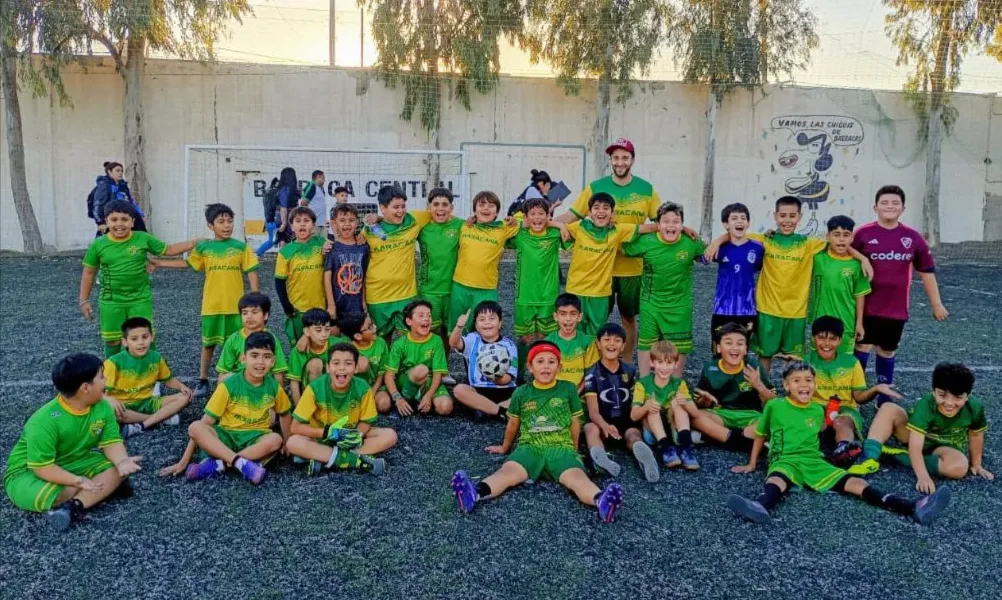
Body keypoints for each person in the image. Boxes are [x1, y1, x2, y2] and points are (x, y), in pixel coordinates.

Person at [727, 361, 952, 526]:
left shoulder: (817, 409)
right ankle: (760, 505)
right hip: (784, 459)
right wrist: (752, 463)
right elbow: (759, 434)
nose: (803, 385)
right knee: (777, 480)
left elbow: (819, 433)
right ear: (786, 386)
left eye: (808, 380)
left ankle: (912, 506)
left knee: (855, 483)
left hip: (813, 461)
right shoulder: (774, 406)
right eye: (796, 381)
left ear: (815, 384)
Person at [450, 340, 625, 523]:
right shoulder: (521, 393)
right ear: (530, 366)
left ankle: (601, 501)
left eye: (551, 362)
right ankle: (474, 494)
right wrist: (505, 447)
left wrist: (573, 449)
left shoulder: (568, 389)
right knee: (506, 473)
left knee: (577, 478)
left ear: (559, 366)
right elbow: (513, 424)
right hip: (529, 448)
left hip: (560, 447)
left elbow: (575, 422)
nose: (546, 367)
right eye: (540, 361)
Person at [704, 196, 871, 374]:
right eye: (782, 215)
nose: (787, 220)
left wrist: (862, 258)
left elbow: (839, 243)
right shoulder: (764, 240)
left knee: (793, 358)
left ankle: (792, 394)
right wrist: (716, 241)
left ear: (799, 217)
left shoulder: (809, 244)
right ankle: (763, 393)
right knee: (765, 355)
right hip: (768, 310)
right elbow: (734, 235)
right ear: (775, 216)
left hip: (795, 313)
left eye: (792, 216)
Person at [4, 353, 142, 532]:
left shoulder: (103, 407)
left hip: (77, 460)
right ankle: (97, 491)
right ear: (85, 388)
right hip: (28, 472)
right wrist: (77, 480)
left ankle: (73, 507)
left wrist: (122, 461)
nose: (106, 380)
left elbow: (111, 442)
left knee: (118, 470)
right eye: (101, 376)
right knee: (61, 492)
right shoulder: (43, 421)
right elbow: (41, 467)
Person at [558, 138, 662, 360]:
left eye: (625, 157)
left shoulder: (647, 189)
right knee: (593, 319)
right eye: (616, 158)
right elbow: (572, 216)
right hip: (596, 274)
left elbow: (659, 224)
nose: (620, 162)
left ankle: (624, 362)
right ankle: (589, 362)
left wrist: (685, 230)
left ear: (632, 160)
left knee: (628, 317)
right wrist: (543, 224)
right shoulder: (596, 188)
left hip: (631, 269)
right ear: (611, 161)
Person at [150, 203, 259, 398]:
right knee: (208, 344)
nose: (227, 226)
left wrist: (256, 297)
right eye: (221, 222)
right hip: (212, 306)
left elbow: (251, 270)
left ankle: (238, 378)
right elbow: (188, 264)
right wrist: (160, 262)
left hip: (236, 307)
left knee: (238, 343)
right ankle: (203, 379)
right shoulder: (204, 248)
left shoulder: (241, 248)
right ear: (210, 226)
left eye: (230, 221)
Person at [852, 185, 948, 406]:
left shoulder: (912, 238)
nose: (890, 206)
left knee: (887, 350)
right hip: (866, 306)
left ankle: (884, 397)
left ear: (902, 208)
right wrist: (863, 259)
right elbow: (846, 249)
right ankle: (853, 396)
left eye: (895, 203)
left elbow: (926, 271)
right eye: (884, 203)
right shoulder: (864, 233)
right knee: (862, 347)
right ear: (875, 207)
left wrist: (936, 304)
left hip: (895, 309)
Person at [165, 333, 292, 485]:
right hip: (226, 436)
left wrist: (287, 442)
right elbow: (205, 422)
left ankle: (221, 464)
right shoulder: (228, 385)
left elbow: (284, 414)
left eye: (266, 356)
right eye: (254, 355)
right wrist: (183, 461)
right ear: (243, 359)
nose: (260, 362)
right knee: (195, 427)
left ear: (273, 361)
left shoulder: (273, 387)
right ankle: (243, 464)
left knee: (275, 439)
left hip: (255, 438)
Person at [79, 200, 198, 357]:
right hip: (111, 300)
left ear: (132, 222)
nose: (119, 224)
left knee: (145, 337)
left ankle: (152, 373)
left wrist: (194, 243)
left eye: (124, 219)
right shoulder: (98, 245)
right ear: (106, 221)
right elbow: (88, 272)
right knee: (112, 340)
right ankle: (112, 374)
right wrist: (84, 300)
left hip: (139, 298)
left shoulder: (143, 238)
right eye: (114, 220)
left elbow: (168, 249)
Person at [850, 363, 993, 490]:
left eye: (958, 398)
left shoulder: (975, 407)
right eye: (942, 395)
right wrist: (923, 477)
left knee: (959, 467)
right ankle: (869, 456)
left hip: (946, 447)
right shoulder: (926, 404)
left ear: (967, 396)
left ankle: (898, 455)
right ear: (934, 391)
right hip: (914, 437)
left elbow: (976, 435)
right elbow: (915, 445)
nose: (949, 403)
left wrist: (976, 464)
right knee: (888, 408)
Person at [286, 343, 398, 476]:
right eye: (336, 363)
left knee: (390, 435)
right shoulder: (314, 388)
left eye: (348, 363)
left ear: (356, 368)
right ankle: (354, 460)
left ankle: (325, 458)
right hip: (323, 438)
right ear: (327, 367)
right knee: (293, 442)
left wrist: (358, 435)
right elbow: (295, 427)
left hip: (349, 438)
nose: (342, 368)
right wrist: (327, 432)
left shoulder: (363, 388)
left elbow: (367, 421)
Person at [622, 201, 707, 376]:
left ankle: (674, 388)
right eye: (666, 221)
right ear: (658, 224)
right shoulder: (646, 242)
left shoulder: (691, 243)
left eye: (676, 222)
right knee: (646, 344)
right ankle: (645, 385)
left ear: (682, 225)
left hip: (680, 305)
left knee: (678, 347)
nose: (671, 226)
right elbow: (621, 244)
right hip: (651, 303)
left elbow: (707, 257)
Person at [805, 316, 901, 465]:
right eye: (821, 338)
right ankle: (803, 449)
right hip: (815, 407)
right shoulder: (806, 361)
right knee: (811, 417)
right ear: (813, 338)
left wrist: (875, 389)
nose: (826, 343)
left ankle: (844, 450)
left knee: (842, 421)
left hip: (845, 408)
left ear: (840, 340)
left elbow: (859, 397)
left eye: (832, 339)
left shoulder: (851, 363)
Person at [561, 192, 657, 336]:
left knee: (596, 334)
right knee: (573, 332)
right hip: (576, 290)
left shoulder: (618, 231)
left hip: (600, 293)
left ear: (612, 213)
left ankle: (594, 359)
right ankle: (575, 359)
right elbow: (553, 227)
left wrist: (682, 228)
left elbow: (649, 228)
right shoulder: (579, 227)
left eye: (606, 208)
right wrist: (561, 226)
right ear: (589, 213)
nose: (601, 211)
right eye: (596, 207)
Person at [581, 323, 659, 482]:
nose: (611, 343)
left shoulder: (629, 371)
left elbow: (635, 401)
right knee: (590, 428)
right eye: (607, 339)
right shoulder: (591, 373)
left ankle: (642, 454)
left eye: (617, 341)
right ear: (598, 344)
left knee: (633, 434)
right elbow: (593, 411)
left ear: (623, 346)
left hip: (625, 419)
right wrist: (604, 426)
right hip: (602, 420)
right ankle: (601, 457)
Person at [689, 323, 776, 451]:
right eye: (728, 343)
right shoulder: (710, 368)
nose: (734, 348)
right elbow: (698, 403)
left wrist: (759, 385)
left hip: (751, 416)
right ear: (718, 348)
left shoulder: (753, 366)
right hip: (721, 415)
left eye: (740, 344)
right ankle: (744, 441)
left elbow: (774, 403)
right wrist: (703, 401)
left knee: (775, 421)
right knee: (692, 415)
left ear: (746, 349)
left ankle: (717, 437)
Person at [363, 185, 433, 340]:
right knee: (381, 342)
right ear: (383, 208)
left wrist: (472, 219)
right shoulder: (368, 230)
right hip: (378, 296)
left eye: (403, 206)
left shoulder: (413, 220)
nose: (401, 211)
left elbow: (439, 212)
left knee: (408, 340)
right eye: (395, 207)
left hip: (406, 295)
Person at [104, 317, 193, 438]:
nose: (141, 342)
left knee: (186, 397)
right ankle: (158, 419)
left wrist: (181, 386)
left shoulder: (156, 357)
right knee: (113, 412)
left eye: (145, 337)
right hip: (124, 405)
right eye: (134, 339)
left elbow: (168, 380)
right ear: (125, 342)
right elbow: (100, 392)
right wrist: (110, 399)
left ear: (152, 337)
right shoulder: (114, 363)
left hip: (148, 402)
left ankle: (141, 425)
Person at [507, 197, 566, 379]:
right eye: (532, 214)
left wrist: (559, 225)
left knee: (543, 336)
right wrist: (517, 222)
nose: (537, 218)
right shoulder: (520, 235)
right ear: (526, 216)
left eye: (542, 213)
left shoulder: (554, 234)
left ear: (548, 215)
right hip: (524, 296)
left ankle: (540, 375)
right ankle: (518, 375)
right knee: (524, 338)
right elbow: (506, 226)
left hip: (548, 297)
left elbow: (573, 233)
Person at [447, 191, 520, 333]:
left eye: (491, 206)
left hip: (486, 288)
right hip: (460, 286)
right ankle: (454, 355)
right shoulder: (464, 226)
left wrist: (514, 220)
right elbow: (444, 216)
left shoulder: (504, 228)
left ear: (497, 212)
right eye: (482, 204)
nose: (486, 208)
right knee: (457, 328)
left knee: (485, 329)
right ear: (474, 210)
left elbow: (528, 218)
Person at [631, 341, 699, 471]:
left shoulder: (679, 383)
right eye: (660, 362)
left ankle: (686, 448)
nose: (664, 367)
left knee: (678, 404)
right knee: (653, 407)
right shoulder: (643, 384)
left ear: (676, 364)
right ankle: (666, 449)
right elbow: (633, 416)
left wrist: (685, 403)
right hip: (652, 433)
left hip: (673, 428)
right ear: (652, 363)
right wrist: (646, 406)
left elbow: (695, 413)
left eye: (669, 363)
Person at [808, 215, 871, 355]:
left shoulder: (857, 265)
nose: (841, 239)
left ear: (852, 238)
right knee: (817, 362)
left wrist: (859, 323)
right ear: (828, 236)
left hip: (846, 324)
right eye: (836, 235)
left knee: (843, 362)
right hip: (820, 322)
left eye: (846, 235)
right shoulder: (818, 258)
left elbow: (859, 295)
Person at [383, 300, 452, 417]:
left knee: (445, 407)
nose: (426, 319)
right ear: (409, 321)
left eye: (429, 316)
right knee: (421, 370)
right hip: (407, 381)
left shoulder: (436, 340)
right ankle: (405, 400)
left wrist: (429, 395)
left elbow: (437, 373)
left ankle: (420, 399)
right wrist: (397, 397)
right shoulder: (399, 343)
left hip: (428, 381)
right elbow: (389, 375)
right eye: (421, 316)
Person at [450, 302, 518, 420]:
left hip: (505, 390)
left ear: (500, 323)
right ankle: (500, 411)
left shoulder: (509, 345)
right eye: (482, 319)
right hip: (479, 389)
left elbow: (509, 378)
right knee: (459, 390)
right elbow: (454, 343)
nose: (487, 322)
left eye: (492, 318)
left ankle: (486, 409)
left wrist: (493, 375)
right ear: (476, 325)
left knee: (522, 394)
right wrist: (459, 327)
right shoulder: (473, 339)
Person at [709, 203, 763, 345]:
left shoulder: (758, 248)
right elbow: (701, 257)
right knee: (718, 352)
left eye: (743, 218)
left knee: (741, 352)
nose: (739, 221)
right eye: (734, 218)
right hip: (722, 310)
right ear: (726, 224)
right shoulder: (719, 248)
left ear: (748, 223)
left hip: (747, 311)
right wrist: (717, 241)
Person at [417, 188, 465, 343]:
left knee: (449, 332)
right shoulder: (421, 227)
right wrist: (377, 218)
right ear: (429, 207)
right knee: (430, 331)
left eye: (445, 204)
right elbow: (396, 221)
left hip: (453, 289)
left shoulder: (461, 225)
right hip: (429, 290)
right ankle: (431, 365)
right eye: (436, 204)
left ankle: (443, 365)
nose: (440, 208)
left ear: (451, 208)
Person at [275, 206, 326, 344]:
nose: (302, 224)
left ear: (314, 226)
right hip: (298, 308)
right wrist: (287, 306)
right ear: (292, 226)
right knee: (300, 347)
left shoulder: (322, 245)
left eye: (306, 220)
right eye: (298, 221)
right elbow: (279, 282)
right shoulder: (285, 252)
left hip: (321, 306)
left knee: (320, 345)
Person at [216, 292, 289, 386]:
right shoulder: (233, 339)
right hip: (240, 383)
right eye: (244, 313)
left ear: (265, 315)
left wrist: (279, 397)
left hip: (264, 384)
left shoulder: (272, 339)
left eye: (255, 312)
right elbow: (224, 372)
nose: (249, 317)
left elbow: (278, 372)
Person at [336, 312, 391, 413]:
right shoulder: (344, 345)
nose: (375, 327)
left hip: (375, 386)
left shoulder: (381, 343)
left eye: (372, 323)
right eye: (370, 326)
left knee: (384, 405)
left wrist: (373, 391)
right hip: (352, 388)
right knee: (363, 362)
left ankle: (363, 404)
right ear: (357, 336)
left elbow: (382, 371)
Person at [324, 204, 369, 323]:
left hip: (357, 305)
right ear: (334, 224)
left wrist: (363, 302)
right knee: (336, 338)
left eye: (351, 220)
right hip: (338, 304)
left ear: (358, 223)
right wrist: (331, 305)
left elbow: (364, 276)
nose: (347, 224)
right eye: (342, 220)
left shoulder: (363, 247)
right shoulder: (331, 248)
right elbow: (327, 278)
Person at [544, 293, 599, 389]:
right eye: (563, 314)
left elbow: (591, 372)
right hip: (553, 391)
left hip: (580, 392)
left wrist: (577, 393)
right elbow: (543, 373)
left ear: (580, 317)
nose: (568, 319)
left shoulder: (587, 342)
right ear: (555, 316)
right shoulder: (548, 342)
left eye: (573, 314)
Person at [288, 308, 336, 405]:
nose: (324, 335)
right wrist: (299, 410)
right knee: (315, 363)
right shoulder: (297, 352)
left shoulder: (336, 343)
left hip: (335, 388)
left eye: (327, 329)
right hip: (310, 390)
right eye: (318, 330)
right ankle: (315, 403)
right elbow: (294, 382)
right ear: (306, 331)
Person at [89, 161, 147, 234]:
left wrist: (140, 214)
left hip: (127, 217)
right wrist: (100, 222)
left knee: (138, 237)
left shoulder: (123, 186)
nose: (120, 173)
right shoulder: (104, 186)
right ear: (109, 172)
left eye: (121, 171)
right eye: (117, 171)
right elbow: (98, 205)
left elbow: (130, 202)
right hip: (113, 218)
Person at [256, 177, 281, 256]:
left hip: (269, 221)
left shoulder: (267, 192)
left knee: (272, 241)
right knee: (272, 241)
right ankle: (258, 253)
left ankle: (258, 253)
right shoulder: (276, 193)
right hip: (274, 221)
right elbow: (277, 207)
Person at [274, 167, 299, 245]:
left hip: (283, 216)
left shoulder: (283, 189)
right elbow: (284, 207)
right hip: (289, 216)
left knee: (284, 239)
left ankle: (283, 256)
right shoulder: (292, 189)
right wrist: (284, 223)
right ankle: (286, 256)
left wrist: (283, 223)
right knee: (290, 239)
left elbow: (283, 207)